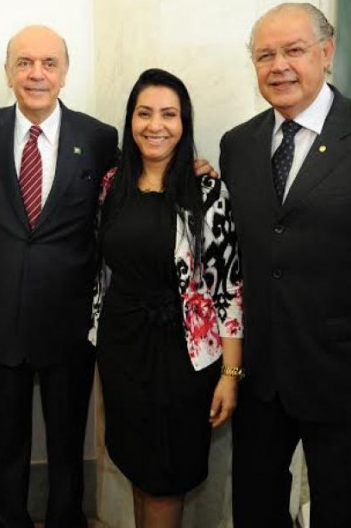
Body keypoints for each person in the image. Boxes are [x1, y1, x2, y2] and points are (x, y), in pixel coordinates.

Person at [220, 2, 351, 527]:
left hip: (346, 377)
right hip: (261, 377)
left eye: (294, 50)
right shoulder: (237, 144)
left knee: (341, 511)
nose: (279, 66)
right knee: (255, 507)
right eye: (264, 55)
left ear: (327, 52)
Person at [0, 25, 119, 528]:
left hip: (70, 326)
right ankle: (11, 521)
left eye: (49, 63)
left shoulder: (98, 138)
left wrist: (193, 168)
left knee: (68, 442)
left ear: (65, 72)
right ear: (8, 72)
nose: (36, 73)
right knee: (5, 440)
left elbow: (125, 205)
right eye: (24, 62)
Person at [92, 68, 243, 528]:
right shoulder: (111, 185)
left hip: (181, 359)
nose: (155, 125)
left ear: (184, 123)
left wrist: (230, 374)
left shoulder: (206, 190)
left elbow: (229, 289)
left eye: (169, 114)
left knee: (166, 475)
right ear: (130, 119)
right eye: (144, 113)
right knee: (138, 465)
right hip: (121, 350)